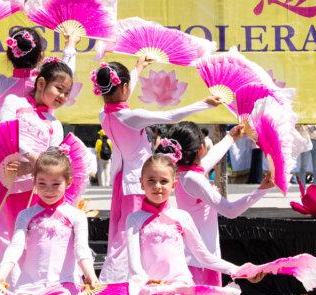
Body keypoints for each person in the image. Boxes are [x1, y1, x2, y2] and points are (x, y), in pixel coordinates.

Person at [92, 60, 224, 282]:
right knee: (136, 235)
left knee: (124, 234)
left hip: (123, 181)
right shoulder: (131, 117)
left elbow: (120, 92)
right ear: (124, 87)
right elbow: (170, 117)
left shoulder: (104, 116)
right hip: (140, 182)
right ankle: (126, 281)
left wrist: (137, 69)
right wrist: (204, 103)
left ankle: (123, 281)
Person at [124, 141, 265, 295]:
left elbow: (205, 256)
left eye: (164, 181)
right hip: (149, 286)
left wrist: (239, 270)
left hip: (179, 285)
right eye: (151, 181)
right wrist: (145, 280)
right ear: (141, 183)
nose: (157, 187)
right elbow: (133, 260)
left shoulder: (182, 217)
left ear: (173, 184)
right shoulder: (134, 219)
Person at [0, 148, 97, 295]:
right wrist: (2, 274)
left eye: (56, 184)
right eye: (42, 183)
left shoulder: (76, 216)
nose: (48, 190)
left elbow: (82, 249)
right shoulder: (26, 215)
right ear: (34, 183)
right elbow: (16, 246)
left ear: (68, 182)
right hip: (30, 285)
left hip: (62, 285)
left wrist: (91, 276)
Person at [165, 121, 273, 284]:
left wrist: (230, 138)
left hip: (199, 258)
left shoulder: (185, 173)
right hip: (201, 262)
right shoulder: (194, 179)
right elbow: (230, 211)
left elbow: (211, 158)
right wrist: (261, 190)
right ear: (201, 148)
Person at [0, 58, 76, 254]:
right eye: (59, 88)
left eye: (66, 93)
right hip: (9, 180)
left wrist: (31, 166)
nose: (62, 96)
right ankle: (7, 281)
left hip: (37, 186)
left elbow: (52, 160)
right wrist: (32, 158)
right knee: (8, 235)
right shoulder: (13, 102)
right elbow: (6, 133)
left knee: (35, 236)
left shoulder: (55, 124)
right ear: (41, 83)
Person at [0, 24, 77, 119]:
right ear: (40, 56)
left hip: (6, 140)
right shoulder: (45, 83)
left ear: (9, 56)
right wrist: (71, 44)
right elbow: (66, 73)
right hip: (42, 140)